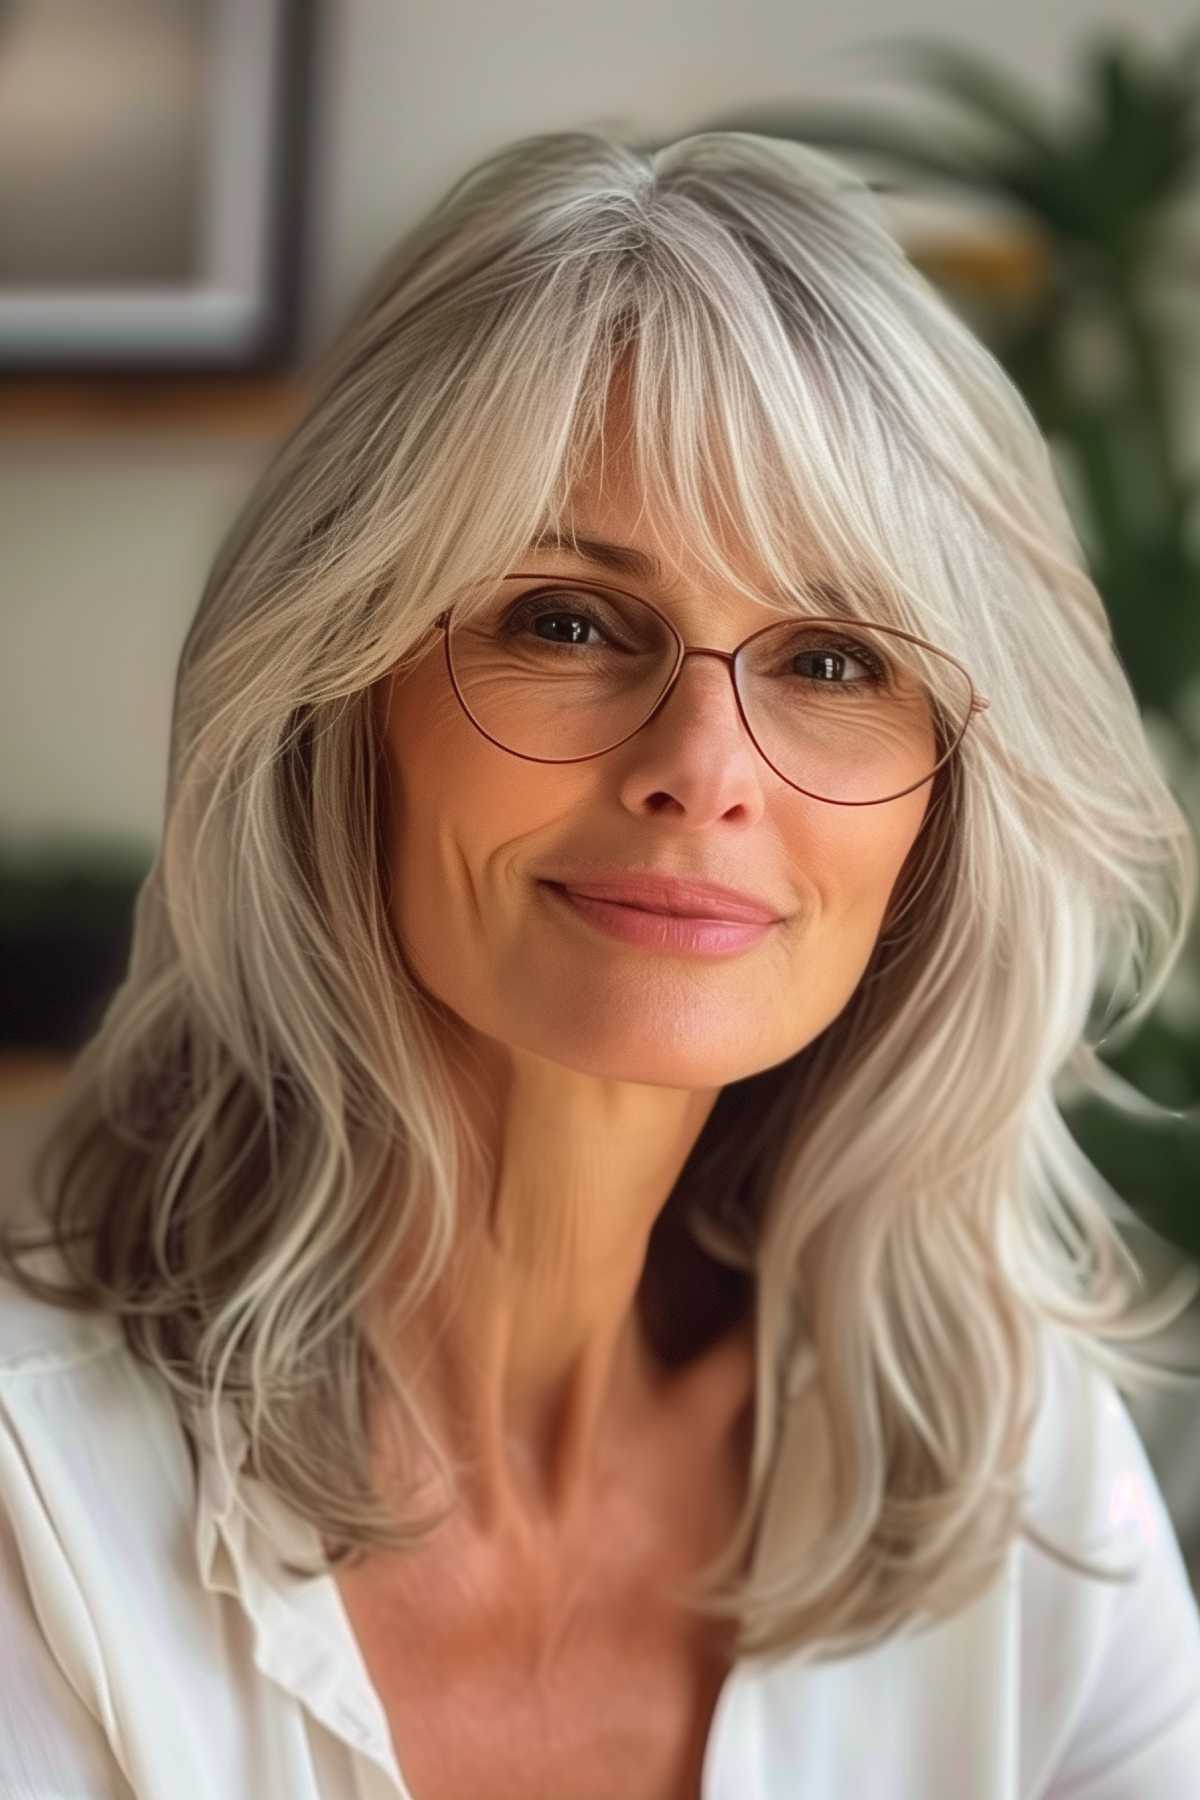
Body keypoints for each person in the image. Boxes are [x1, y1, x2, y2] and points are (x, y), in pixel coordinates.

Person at [2, 127, 1199, 1800]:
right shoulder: (30, 1506)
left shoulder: (1022, 1488)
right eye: (565, 619)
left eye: (834, 656)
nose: (704, 762)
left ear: (946, 803)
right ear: (335, 702)